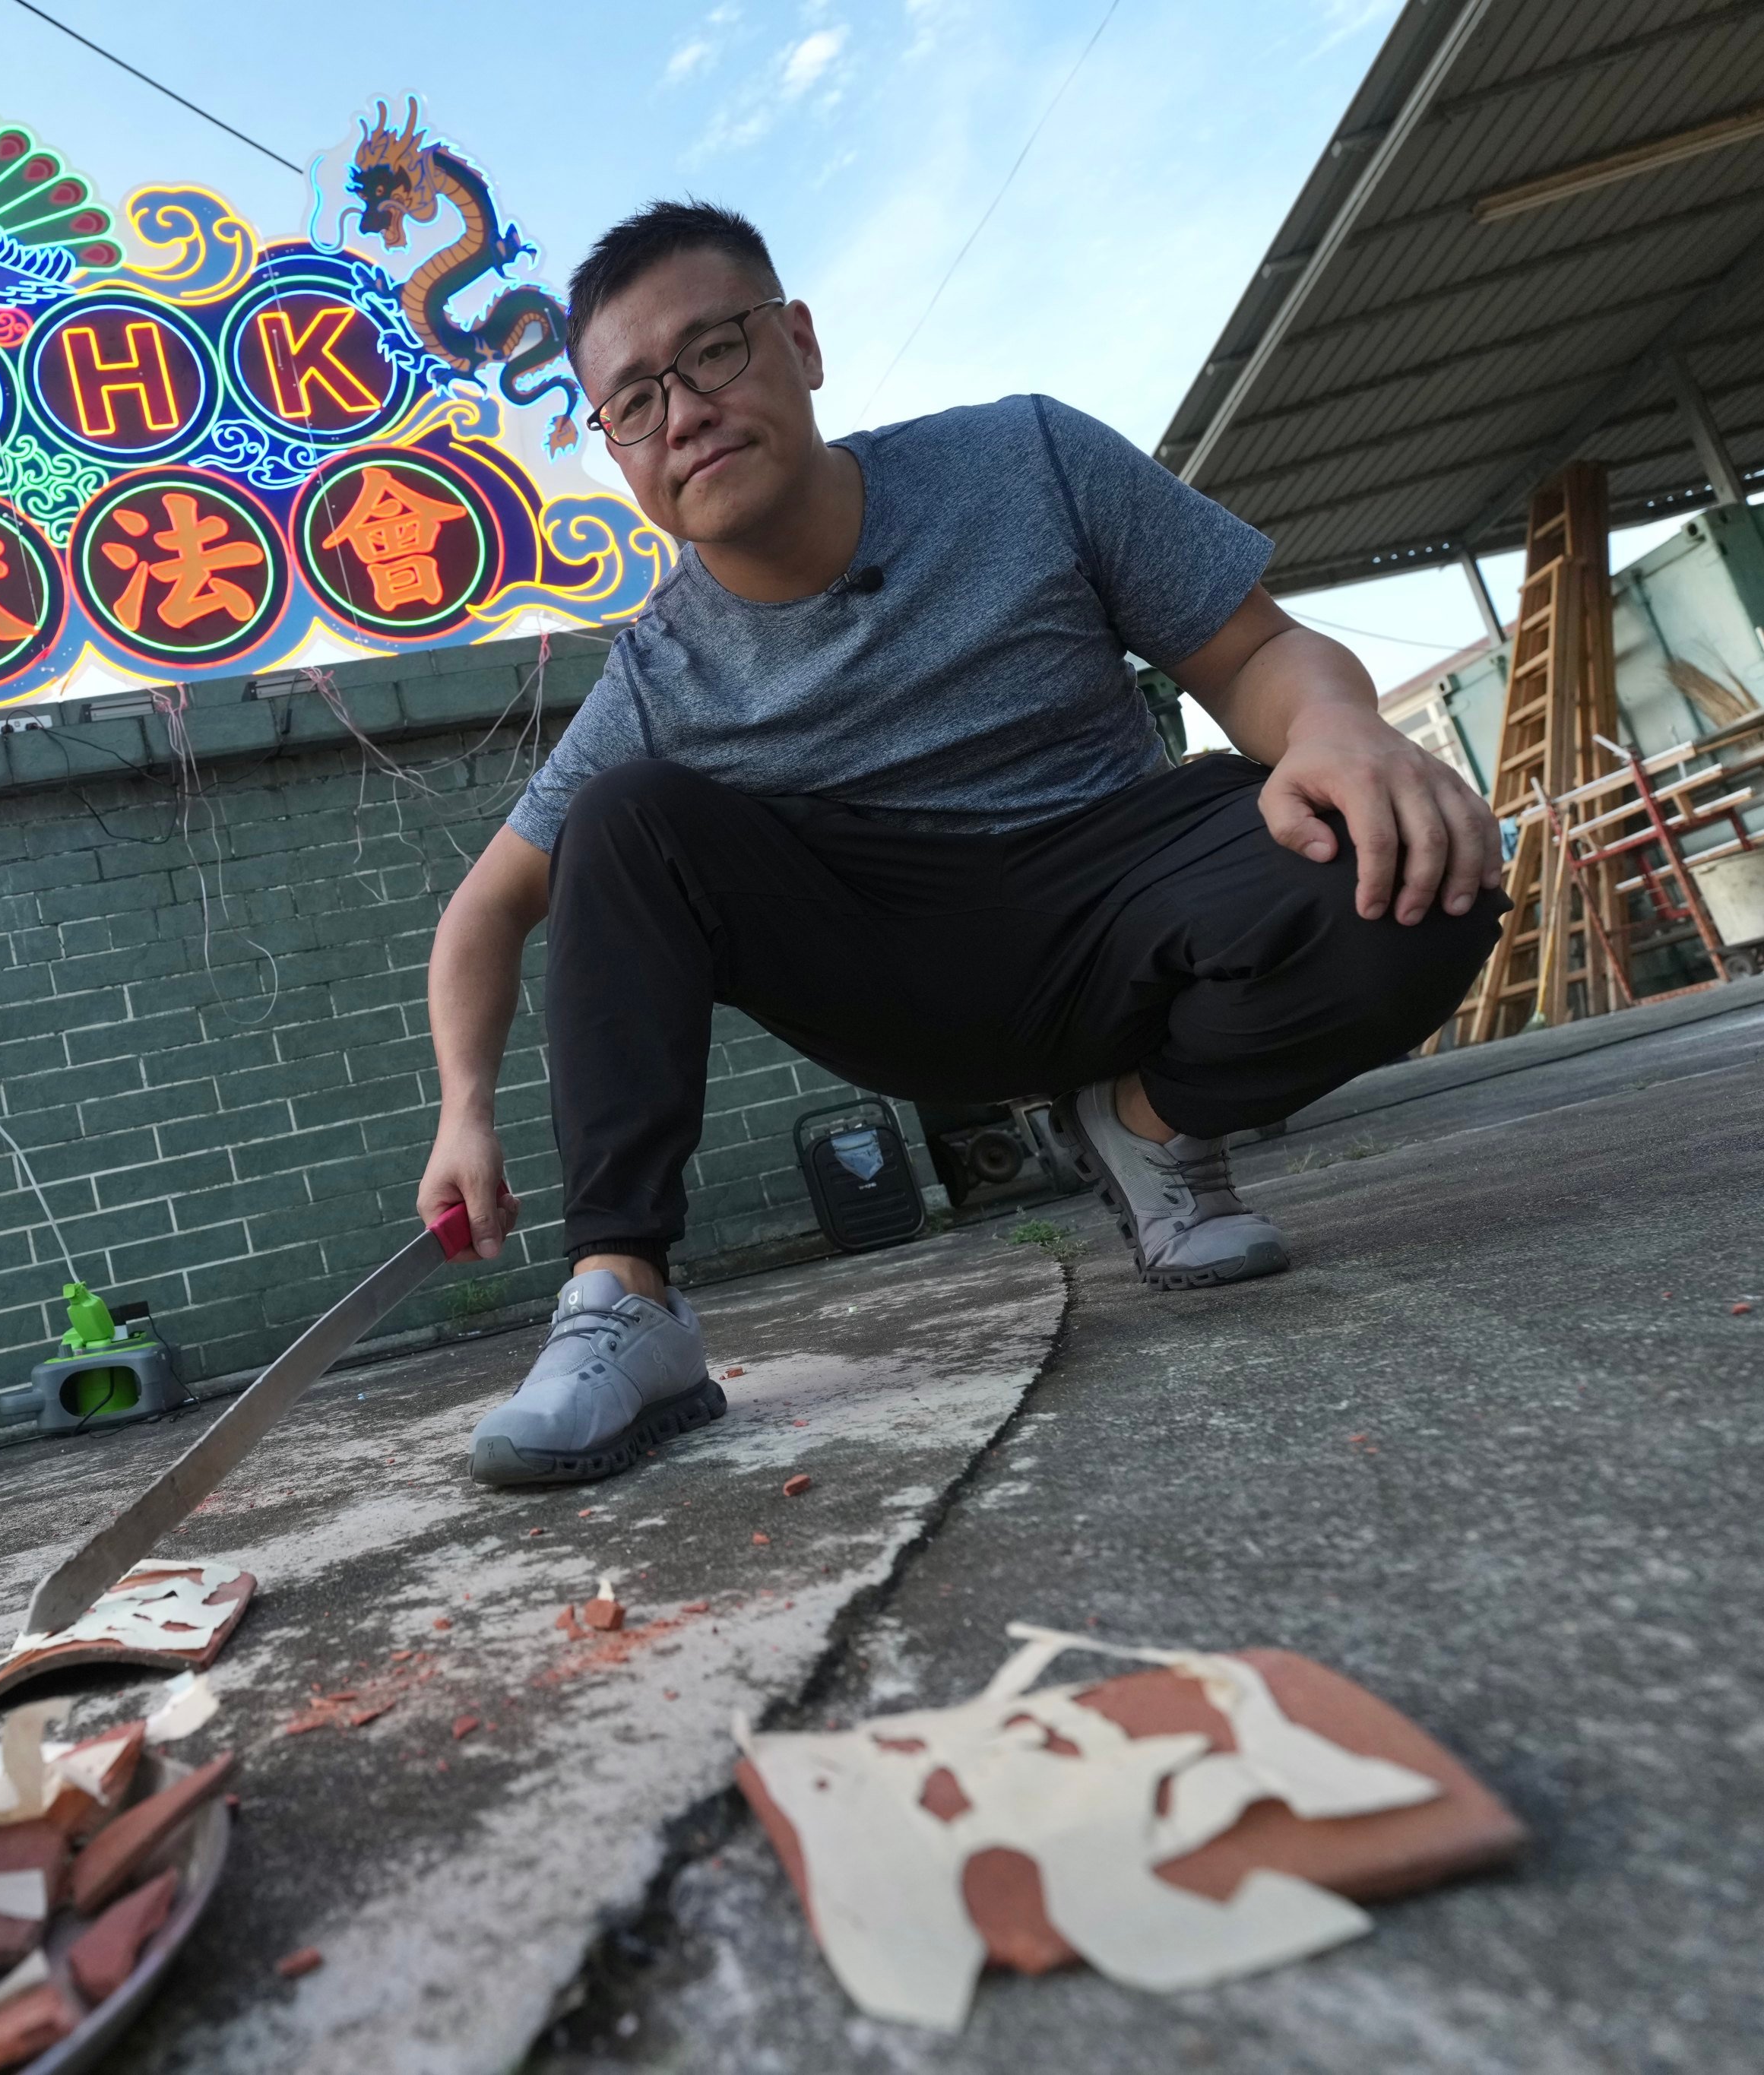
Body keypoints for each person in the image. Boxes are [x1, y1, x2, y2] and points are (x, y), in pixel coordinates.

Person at [417, 200, 1509, 1489]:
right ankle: (625, 1301)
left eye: (714, 352)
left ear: (801, 343)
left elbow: (1259, 650)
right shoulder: (661, 671)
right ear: (617, 451)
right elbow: (483, 909)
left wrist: (1334, 724)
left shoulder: (1027, 460)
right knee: (625, 816)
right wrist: (465, 1111)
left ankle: (1150, 1125)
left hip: (1118, 890)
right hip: (904, 972)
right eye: (636, 402)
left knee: (1413, 863)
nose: (687, 413)